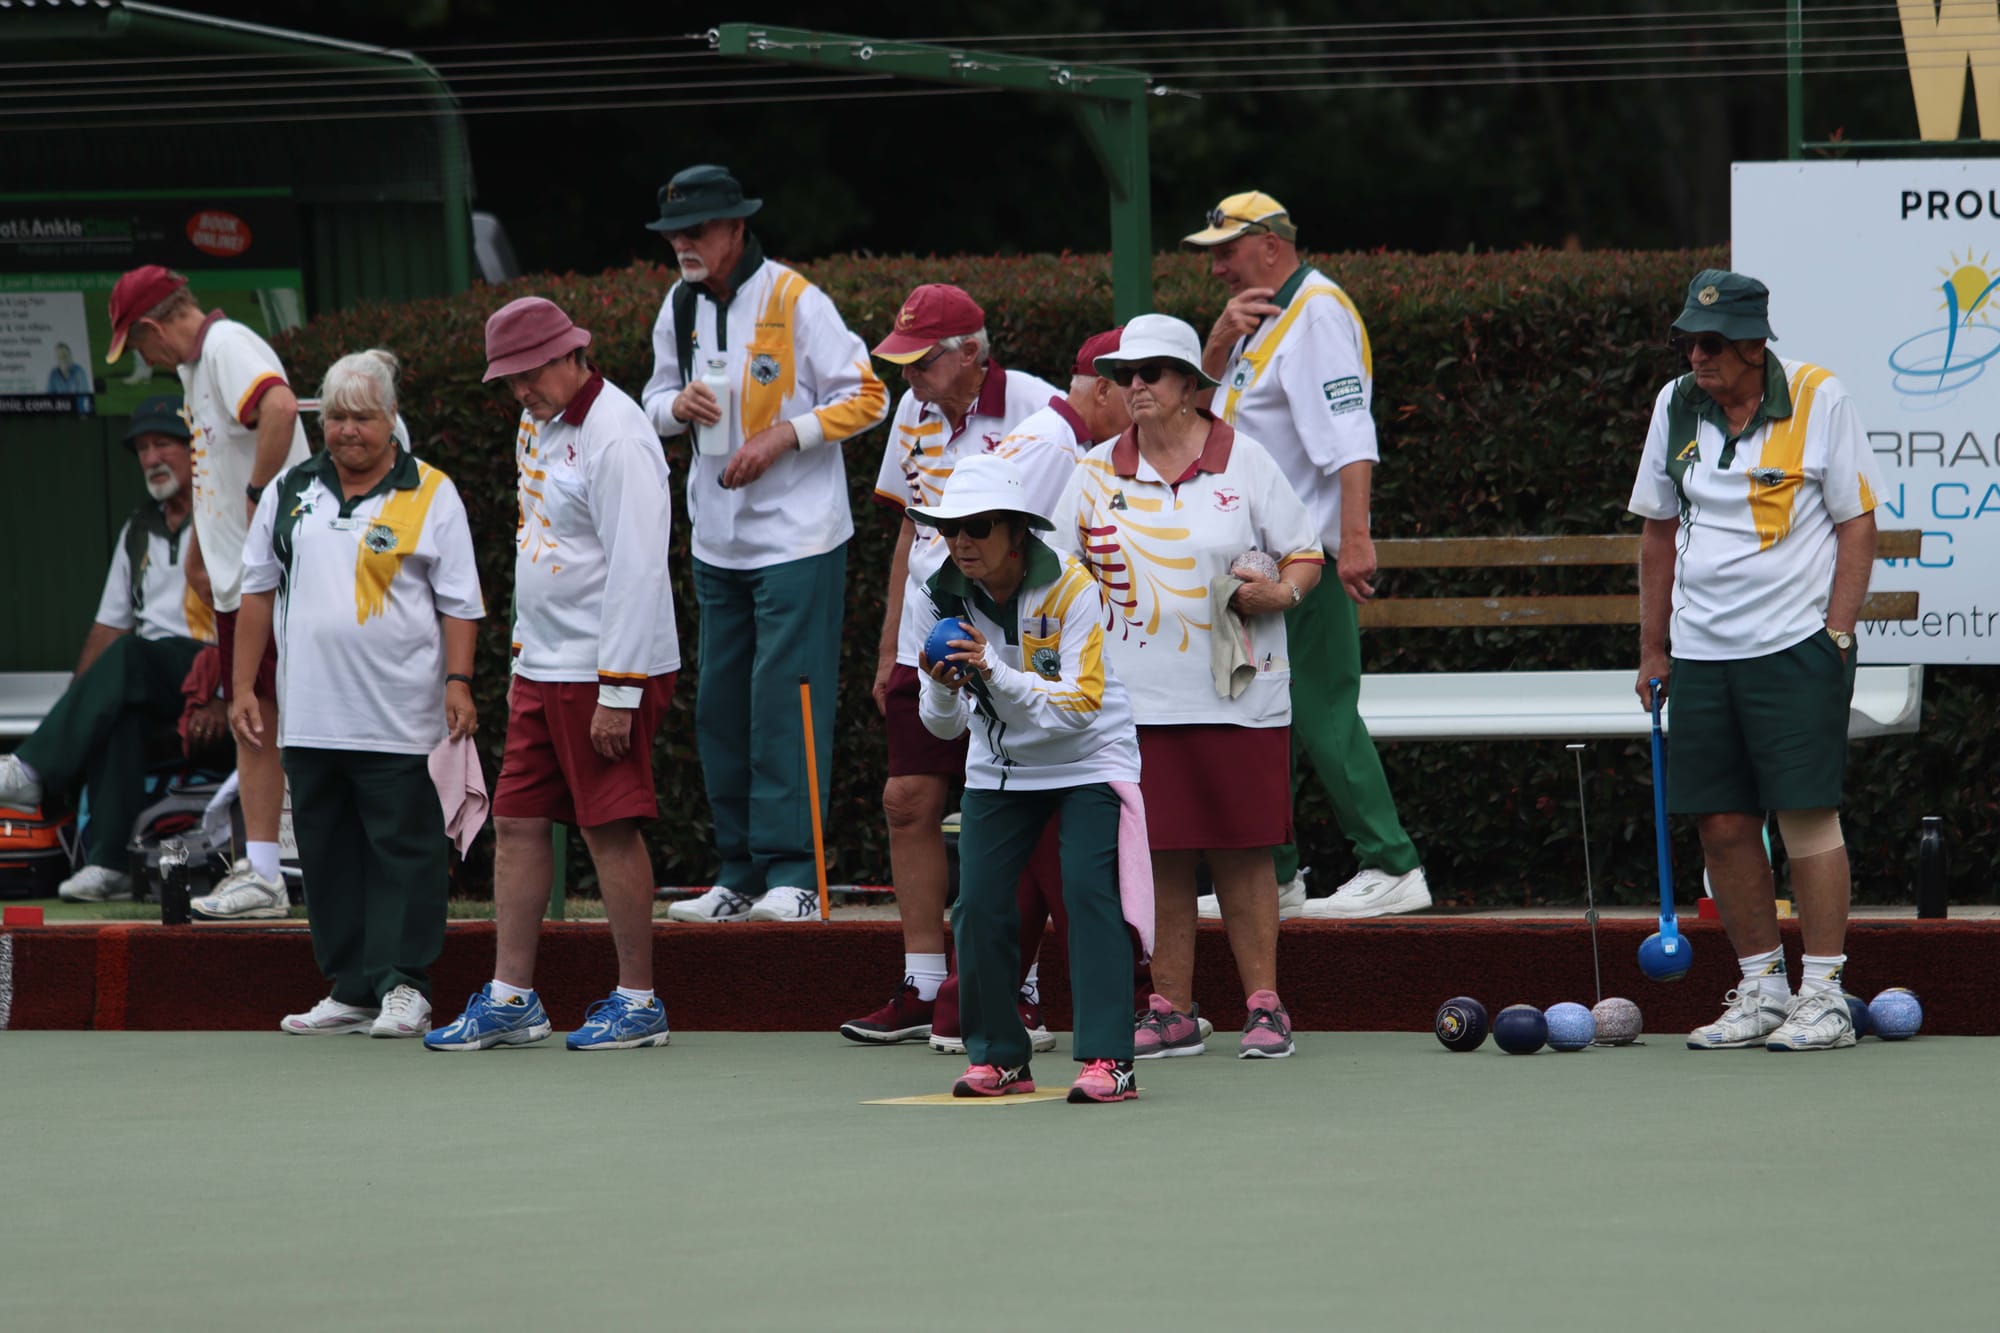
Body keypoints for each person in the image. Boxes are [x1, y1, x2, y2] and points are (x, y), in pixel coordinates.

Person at [1055, 313, 1324, 1060]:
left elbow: (1304, 552)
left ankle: (1265, 1006)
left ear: (1187, 387)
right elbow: (1054, 573)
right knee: (1161, 855)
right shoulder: (1090, 471)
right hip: (1132, 699)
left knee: (1245, 851)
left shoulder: (1246, 461)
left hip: (1242, 695)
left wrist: (1283, 594)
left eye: (1149, 373)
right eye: (1122, 375)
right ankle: (1170, 1006)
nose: (1132, 386)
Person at [1629, 269, 1884, 1053]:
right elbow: (1657, 532)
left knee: (1806, 817)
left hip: (1793, 647)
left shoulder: (1818, 396)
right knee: (1723, 822)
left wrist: (1836, 634)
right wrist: (1652, 647)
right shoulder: (1675, 403)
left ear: (1752, 345)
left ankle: (1826, 994)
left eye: (1711, 344)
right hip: (1702, 654)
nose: (1695, 357)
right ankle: (1763, 987)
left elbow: (1857, 522)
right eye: (1688, 342)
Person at [427, 297, 681, 1053]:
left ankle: (640, 1001)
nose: (518, 392)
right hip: (544, 666)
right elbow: (539, 544)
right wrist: (519, 659)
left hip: (607, 669)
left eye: (527, 374)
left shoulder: (620, 435)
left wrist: (619, 690)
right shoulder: (537, 423)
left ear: (573, 355)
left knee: (608, 828)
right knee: (516, 820)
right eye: (507, 380)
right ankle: (512, 997)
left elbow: (639, 568)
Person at [639, 164, 889, 924]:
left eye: (698, 230)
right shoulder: (677, 302)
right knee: (720, 708)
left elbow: (869, 394)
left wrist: (786, 434)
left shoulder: (795, 297)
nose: (683, 244)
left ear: (736, 229)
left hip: (798, 540)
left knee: (787, 703)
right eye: (675, 232)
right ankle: (739, 872)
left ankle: (797, 873)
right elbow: (649, 402)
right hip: (718, 541)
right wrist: (674, 407)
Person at [1185, 191, 1429, 920]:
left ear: (1270, 244)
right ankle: (1275, 876)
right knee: (1268, 720)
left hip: (1304, 559)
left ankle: (1392, 864)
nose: (1219, 266)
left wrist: (1353, 539)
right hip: (1263, 564)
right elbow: (1203, 424)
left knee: (1321, 712)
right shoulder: (1264, 318)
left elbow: (1350, 436)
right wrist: (1214, 347)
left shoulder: (1315, 311)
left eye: (1226, 250)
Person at [230, 353, 483, 1038]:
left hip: (401, 717)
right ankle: (350, 987)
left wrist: (459, 682)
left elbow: (461, 605)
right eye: (336, 416)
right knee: (328, 853)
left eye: (362, 417)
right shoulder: (289, 489)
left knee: (406, 853)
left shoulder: (431, 491)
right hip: (310, 716)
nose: (347, 431)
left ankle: (406, 985)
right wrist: (243, 687)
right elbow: (254, 591)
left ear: (391, 420)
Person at [840, 284, 1064, 1044]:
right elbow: (911, 532)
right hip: (926, 633)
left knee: (1017, 805)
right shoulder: (912, 410)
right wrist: (887, 650)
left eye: (922, 361)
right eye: (901, 362)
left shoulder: (1042, 407)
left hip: (1009, 634)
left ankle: (1018, 987)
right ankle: (925, 983)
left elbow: (1062, 528)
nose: (909, 377)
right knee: (907, 798)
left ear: (972, 351)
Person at [924, 326, 1133, 1055]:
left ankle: (1109, 1056)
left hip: (1086, 762)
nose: (963, 544)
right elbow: (945, 727)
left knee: (1088, 900)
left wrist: (991, 670)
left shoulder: (1072, 587)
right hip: (999, 770)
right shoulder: (942, 595)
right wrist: (943, 686)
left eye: (978, 528)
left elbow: (1076, 707)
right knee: (979, 907)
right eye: (950, 530)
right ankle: (997, 1055)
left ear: (1017, 532)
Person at [104, 265, 310, 921]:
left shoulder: (226, 347)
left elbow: (278, 406)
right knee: (257, 722)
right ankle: (264, 869)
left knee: (268, 722)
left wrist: (257, 499)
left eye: (139, 346)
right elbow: (224, 462)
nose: (145, 358)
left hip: (271, 580)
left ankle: (270, 872)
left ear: (153, 326)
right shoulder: (199, 366)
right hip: (241, 584)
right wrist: (206, 546)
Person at [0, 395, 213, 901]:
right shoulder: (138, 528)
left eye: (163, 442)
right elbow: (107, 628)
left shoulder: (224, 516)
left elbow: (254, 616)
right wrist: (76, 712)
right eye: (142, 447)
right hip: (150, 675)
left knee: (133, 657)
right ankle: (111, 866)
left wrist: (227, 695)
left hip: (214, 668)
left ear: (195, 450)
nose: (151, 457)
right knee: (119, 710)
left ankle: (29, 772)